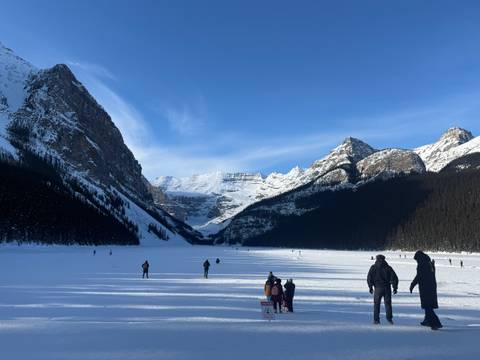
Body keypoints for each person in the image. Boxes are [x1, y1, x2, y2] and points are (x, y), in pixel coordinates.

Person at [410, 251, 443, 330]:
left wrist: (412, 285)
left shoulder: (422, 264)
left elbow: (419, 276)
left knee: (428, 306)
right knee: (427, 305)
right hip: (431, 287)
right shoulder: (428, 263)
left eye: (417, 260)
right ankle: (427, 321)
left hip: (426, 287)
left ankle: (435, 323)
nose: (416, 261)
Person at [367, 254, 399, 325]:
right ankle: (389, 319)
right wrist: (395, 287)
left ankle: (376, 320)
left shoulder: (373, 267)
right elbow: (394, 278)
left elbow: (369, 278)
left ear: (377, 259)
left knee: (376, 305)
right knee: (388, 304)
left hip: (378, 288)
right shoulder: (388, 267)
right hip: (387, 288)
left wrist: (370, 287)